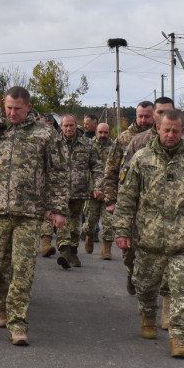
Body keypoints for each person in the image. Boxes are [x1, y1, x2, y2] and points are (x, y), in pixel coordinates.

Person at [0, 86, 66, 347]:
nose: (12, 113)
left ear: (29, 108)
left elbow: (58, 172)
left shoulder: (45, 134)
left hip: (29, 212)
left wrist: (57, 209)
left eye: (18, 109)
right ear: (3, 105)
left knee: (22, 270)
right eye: (8, 108)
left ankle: (18, 323)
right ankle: (0, 304)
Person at [112, 108, 184, 358]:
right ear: (157, 129)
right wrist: (122, 230)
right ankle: (148, 314)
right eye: (166, 130)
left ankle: (178, 336)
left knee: (182, 288)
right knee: (145, 285)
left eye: (176, 131)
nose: (170, 135)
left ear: (183, 132)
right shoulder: (141, 159)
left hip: (183, 238)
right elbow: (127, 198)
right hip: (149, 237)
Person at [102, 101, 155, 295]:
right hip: (129, 202)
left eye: (147, 116)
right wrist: (111, 200)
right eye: (140, 116)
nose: (143, 120)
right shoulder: (125, 139)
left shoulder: (162, 137)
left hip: (153, 206)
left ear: (154, 116)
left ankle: (151, 290)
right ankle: (132, 272)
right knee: (129, 251)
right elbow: (111, 170)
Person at [54, 115, 103, 269]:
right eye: (65, 126)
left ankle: (73, 251)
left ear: (76, 126)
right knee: (62, 221)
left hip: (79, 191)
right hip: (59, 192)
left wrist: (98, 187)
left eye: (71, 125)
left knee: (75, 224)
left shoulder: (87, 145)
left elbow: (97, 167)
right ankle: (64, 250)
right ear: (61, 127)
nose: (68, 129)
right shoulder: (53, 144)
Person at [84, 121, 114, 257]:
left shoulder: (114, 148)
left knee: (109, 223)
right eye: (100, 132)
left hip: (109, 191)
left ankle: (106, 249)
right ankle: (89, 235)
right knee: (90, 220)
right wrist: (93, 188)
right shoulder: (89, 146)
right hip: (92, 191)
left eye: (105, 132)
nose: (103, 135)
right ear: (96, 132)